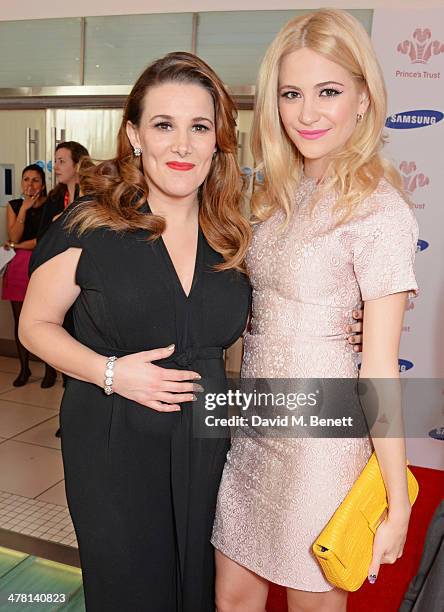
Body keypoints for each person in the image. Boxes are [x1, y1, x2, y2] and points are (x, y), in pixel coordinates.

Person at [19, 52, 252, 612]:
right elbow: (34, 325)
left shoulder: (234, 233)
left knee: (199, 589)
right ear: (135, 134)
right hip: (113, 440)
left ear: (217, 139)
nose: (182, 145)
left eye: (199, 127)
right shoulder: (90, 225)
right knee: (131, 590)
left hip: (208, 444)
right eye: (163, 125)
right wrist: (111, 373)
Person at [212, 9, 418, 612]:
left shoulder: (379, 213)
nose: (307, 112)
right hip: (254, 429)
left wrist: (397, 506)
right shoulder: (271, 196)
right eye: (291, 93)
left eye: (328, 91)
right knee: (232, 599)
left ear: (363, 99)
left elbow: (380, 366)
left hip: (321, 448)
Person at [1, 164, 56, 387]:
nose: (29, 184)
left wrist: (17, 244)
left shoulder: (51, 206)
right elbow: (12, 233)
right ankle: (24, 368)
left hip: (42, 265)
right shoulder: (13, 206)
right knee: (20, 321)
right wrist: (24, 208)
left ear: (42, 185)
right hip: (17, 267)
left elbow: (43, 240)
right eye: (26, 180)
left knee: (48, 321)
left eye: (35, 180)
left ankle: (50, 370)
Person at [37, 141, 90, 239]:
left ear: (78, 164)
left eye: (61, 161)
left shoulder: (92, 198)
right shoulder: (54, 197)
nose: (55, 167)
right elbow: (40, 238)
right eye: (55, 161)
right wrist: (56, 223)